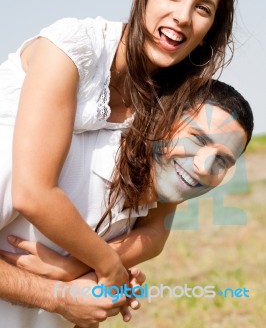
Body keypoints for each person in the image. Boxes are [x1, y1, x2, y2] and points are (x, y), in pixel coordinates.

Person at [0, 0, 238, 310]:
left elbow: (157, 226)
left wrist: (78, 267)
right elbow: (32, 192)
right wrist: (108, 268)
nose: (183, 16)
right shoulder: (71, 49)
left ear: (210, 29)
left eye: (203, 9)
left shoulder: (174, 101)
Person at [0, 80, 254, 327]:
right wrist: (56, 296)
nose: (204, 167)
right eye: (197, 138)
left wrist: (96, 290)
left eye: (222, 161)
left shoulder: (141, 208)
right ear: (161, 118)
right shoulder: (38, 157)